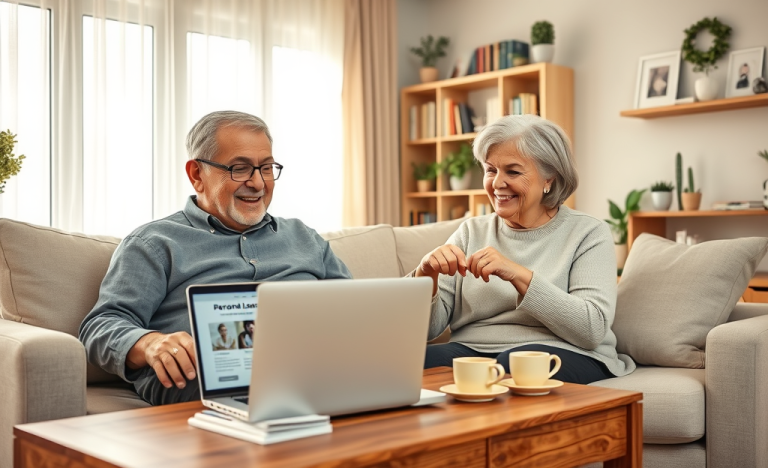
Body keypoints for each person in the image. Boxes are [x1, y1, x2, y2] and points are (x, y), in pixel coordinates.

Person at [79, 111, 352, 406]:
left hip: (315, 371)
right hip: (207, 385)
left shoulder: (303, 237)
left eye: (267, 168)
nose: (259, 183)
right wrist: (151, 343)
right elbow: (100, 326)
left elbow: (356, 309)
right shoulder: (155, 243)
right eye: (240, 168)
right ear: (197, 175)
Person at [414, 114, 635, 385]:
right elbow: (427, 331)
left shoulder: (588, 233)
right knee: (409, 361)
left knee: (516, 364)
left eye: (513, 171)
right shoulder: (471, 232)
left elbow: (591, 329)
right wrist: (426, 277)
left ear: (549, 179)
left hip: (568, 351)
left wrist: (519, 275)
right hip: (474, 350)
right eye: (491, 169)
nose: (496, 183)